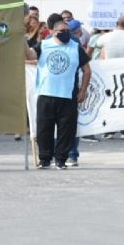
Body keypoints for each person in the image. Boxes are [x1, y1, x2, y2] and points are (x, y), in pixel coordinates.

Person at [33, 20, 91, 169]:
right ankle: (45, 159)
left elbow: (87, 70)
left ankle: (61, 160)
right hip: (46, 94)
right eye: (62, 31)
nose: (66, 33)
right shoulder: (44, 45)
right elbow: (30, 55)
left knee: (66, 130)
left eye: (68, 31)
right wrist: (20, 41)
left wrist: (83, 90)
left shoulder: (75, 48)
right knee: (44, 129)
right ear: (53, 31)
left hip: (68, 95)